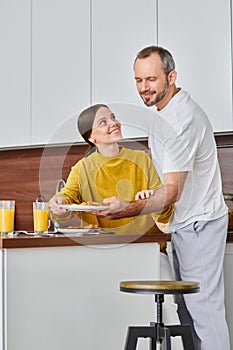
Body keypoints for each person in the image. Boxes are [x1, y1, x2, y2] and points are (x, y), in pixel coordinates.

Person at [94, 46, 230, 350]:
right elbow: (166, 181)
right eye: (139, 80)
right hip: (184, 224)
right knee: (187, 314)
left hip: (200, 225)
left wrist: (129, 208)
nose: (144, 88)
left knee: (205, 314)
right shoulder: (162, 116)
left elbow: (172, 192)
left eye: (152, 79)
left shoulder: (181, 120)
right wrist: (148, 194)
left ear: (172, 76)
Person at [49, 103, 183, 349]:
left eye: (113, 117)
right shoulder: (83, 168)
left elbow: (166, 214)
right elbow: (66, 203)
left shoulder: (141, 159)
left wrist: (150, 201)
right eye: (103, 122)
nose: (113, 122)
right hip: (104, 254)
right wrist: (57, 204)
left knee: (169, 303)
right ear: (92, 137)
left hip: (146, 252)